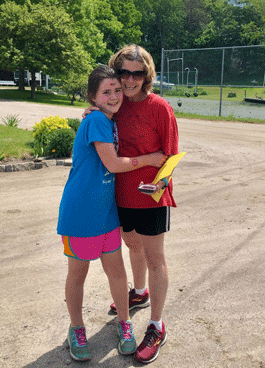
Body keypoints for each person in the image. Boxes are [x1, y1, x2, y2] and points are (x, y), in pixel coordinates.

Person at [57, 65, 165, 362]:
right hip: (80, 214)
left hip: (106, 215)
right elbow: (114, 164)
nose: (116, 95)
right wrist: (151, 160)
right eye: (107, 91)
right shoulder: (97, 122)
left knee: (117, 272)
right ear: (93, 97)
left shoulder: (105, 118)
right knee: (77, 274)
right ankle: (76, 328)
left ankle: (125, 323)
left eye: (118, 90)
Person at [84, 45, 179, 364]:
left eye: (137, 73)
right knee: (131, 245)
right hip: (120, 194)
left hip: (151, 197)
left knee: (155, 257)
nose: (129, 79)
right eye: (123, 72)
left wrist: (161, 185)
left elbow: (171, 156)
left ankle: (156, 325)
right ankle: (139, 291)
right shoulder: (114, 105)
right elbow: (100, 125)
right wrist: (90, 113)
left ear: (147, 75)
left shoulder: (160, 107)